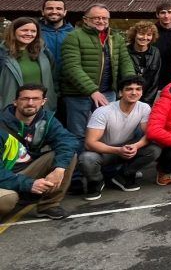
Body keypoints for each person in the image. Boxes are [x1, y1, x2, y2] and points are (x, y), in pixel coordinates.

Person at [0, 84, 78, 220]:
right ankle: (20, 194)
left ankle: (49, 205)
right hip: (5, 174)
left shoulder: (46, 120)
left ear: (43, 102)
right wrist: (29, 184)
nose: (30, 103)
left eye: (35, 99)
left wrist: (59, 169)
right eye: (25, 99)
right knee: (7, 200)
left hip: (26, 169)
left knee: (67, 156)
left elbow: (68, 141)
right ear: (15, 101)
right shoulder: (2, 124)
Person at [61, 4, 135, 139]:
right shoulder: (73, 37)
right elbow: (72, 67)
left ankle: (99, 154)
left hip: (107, 92)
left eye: (104, 18)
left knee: (106, 132)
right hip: (78, 95)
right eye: (96, 18)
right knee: (78, 134)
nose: (101, 21)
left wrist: (131, 84)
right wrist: (92, 90)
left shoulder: (115, 38)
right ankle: (77, 153)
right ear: (86, 20)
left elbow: (125, 62)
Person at [80, 76, 160, 198]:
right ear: (120, 93)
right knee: (87, 158)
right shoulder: (103, 111)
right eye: (129, 89)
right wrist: (117, 150)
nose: (134, 92)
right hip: (104, 151)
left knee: (154, 149)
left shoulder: (144, 108)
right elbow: (89, 143)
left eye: (138, 89)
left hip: (127, 147)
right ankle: (96, 182)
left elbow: (150, 134)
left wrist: (135, 146)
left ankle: (123, 176)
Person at [1, 17, 57, 112]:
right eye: (24, 30)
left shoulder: (44, 52)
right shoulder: (2, 55)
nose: (29, 34)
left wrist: (53, 97)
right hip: (10, 110)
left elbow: (54, 78)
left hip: (41, 109)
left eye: (33, 31)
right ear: (13, 31)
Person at [126, 21, 161, 104]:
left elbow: (155, 80)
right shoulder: (125, 51)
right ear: (134, 35)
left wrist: (147, 102)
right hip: (128, 96)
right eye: (141, 34)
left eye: (149, 35)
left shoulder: (155, 52)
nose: (145, 38)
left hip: (147, 98)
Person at [39, 0, 72, 79]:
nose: (54, 11)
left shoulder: (73, 33)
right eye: (50, 8)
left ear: (65, 12)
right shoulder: (34, 33)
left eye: (59, 9)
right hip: (41, 79)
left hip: (67, 81)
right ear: (42, 12)